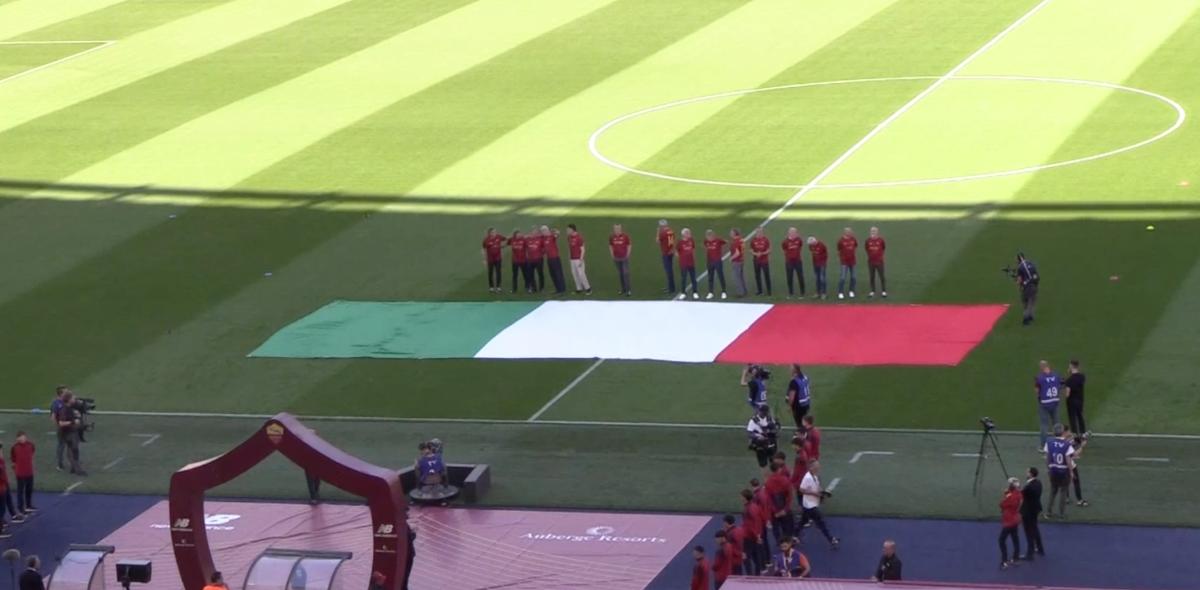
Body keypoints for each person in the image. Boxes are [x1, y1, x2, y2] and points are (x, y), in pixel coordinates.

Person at [797, 459, 839, 549]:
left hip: (811, 504)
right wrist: (815, 494)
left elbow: (817, 487)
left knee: (802, 522)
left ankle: (794, 535)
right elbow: (801, 490)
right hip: (810, 505)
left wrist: (822, 494)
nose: (818, 467)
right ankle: (831, 539)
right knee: (821, 523)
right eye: (816, 466)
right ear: (811, 468)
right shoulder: (807, 477)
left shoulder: (814, 476)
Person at [1045, 424, 1074, 519]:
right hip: (1064, 471)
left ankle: (1049, 512)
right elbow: (1068, 459)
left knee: (1053, 491)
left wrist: (1048, 468)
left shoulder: (1049, 442)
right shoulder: (1067, 445)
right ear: (1063, 432)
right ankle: (1061, 513)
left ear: (1054, 432)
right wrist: (1071, 471)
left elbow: (1048, 457)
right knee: (1063, 491)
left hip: (1053, 470)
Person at [1034, 360, 1063, 452]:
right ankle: (1059, 444)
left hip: (1045, 403)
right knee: (1057, 424)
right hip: (1055, 402)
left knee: (1044, 425)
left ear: (1042, 367)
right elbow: (1061, 385)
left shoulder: (1039, 377)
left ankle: (1043, 446)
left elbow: (1037, 390)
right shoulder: (1056, 375)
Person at [765, 463, 795, 546]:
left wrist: (775, 511)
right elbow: (790, 496)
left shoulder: (768, 482)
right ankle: (788, 543)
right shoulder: (785, 480)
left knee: (776, 529)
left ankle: (780, 544)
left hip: (774, 511)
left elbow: (768, 499)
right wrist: (785, 510)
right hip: (784, 509)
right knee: (787, 528)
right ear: (779, 469)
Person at [740, 489, 768, 574]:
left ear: (745, 498)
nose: (740, 498)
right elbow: (759, 521)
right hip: (753, 535)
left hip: (749, 536)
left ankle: (750, 575)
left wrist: (757, 536)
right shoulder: (754, 506)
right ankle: (757, 574)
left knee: (746, 557)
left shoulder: (749, 509)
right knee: (756, 556)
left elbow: (752, 524)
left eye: (741, 497)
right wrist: (758, 535)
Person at [56, 393, 85, 475]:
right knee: (73, 450)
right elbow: (61, 423)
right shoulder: (64, 410)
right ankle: (77, 470)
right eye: (72, 398)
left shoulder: (69, 408)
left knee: (73, 450)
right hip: (68, 433)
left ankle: (74, 468)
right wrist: (73, 422)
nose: (74, 399)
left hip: (70, 432)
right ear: (68, 400)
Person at [1020, 467, 1045, 560]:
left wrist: (1013, 486)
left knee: (1029, 532)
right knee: (1035, 529)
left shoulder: (1029, 486)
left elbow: (1021, 494)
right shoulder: (1038, 483)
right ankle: (1040, 548)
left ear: (1031, 474)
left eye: (1027, 472)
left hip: (1028, 511)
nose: (1026, 473)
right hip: (1035, 509)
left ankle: (1029, 554)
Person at [999, 477, 1022, 569]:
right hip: (1015, 520)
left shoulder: (1010, 497)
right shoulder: (1019, 494)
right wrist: (1008, 493)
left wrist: (1007, 495)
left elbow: (1001, 504)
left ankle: (1004, 561)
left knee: (1001, 540)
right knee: (1015, 539)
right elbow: (1016, 493)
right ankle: (1015, 558)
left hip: (1008, 521)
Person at [747, 405, 779, 470]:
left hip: (770, 443)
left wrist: (773, 430)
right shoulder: (754, 420)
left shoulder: (769, 419)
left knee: (774, 461)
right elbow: (750, 433)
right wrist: (758, 437)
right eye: (761, 412)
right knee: (763, 465)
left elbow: (775, 430)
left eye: (765, 412)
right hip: (760, 444)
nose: (762, 413)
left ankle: (774, 476)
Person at [11, 432, 36, 515]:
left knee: (29, 490)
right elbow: (13, 459)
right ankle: (21, 508)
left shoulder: (30, 445)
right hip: (20, 473)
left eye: (23, 437)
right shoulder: (14, 447)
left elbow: (32, 454)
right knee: (20, 491)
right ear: (17, 439)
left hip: (29, 472)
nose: (22, 439)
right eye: (20, 437)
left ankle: (28, 506)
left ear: (26, 437)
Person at [1065, 426, 1089, 507]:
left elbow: (1076, 440)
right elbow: (1073, 455)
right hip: (1069, 464)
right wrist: (1082, 446)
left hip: (1061, 464)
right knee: (1076, 481)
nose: (1070, 433)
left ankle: (1066, 498)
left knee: (1065, 482)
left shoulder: (1060, 440)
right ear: (1065, 432)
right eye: (1068, 431)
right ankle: (1079, 500)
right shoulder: (1067, 442)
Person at [1063, 359, 1088, 437]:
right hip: (1080, 400)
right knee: (1080, 416)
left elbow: (1067, 394)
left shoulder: (1069, 380)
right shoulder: (1082, 377)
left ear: (1071, 366)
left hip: (1071, 401)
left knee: (1072, 418)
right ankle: (1083, 433)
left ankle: (1075, 434)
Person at [1014, 252, 1039, 325]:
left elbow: (1019, 280)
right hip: (1034, 286)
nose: (1016, 260)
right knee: (1032, 302)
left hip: (1026, 288)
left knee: (1026, 303)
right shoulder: (1031, 263)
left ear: (1020, 258)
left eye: (1016, 259)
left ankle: (1025, 319)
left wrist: (1017, 282)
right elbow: (1035, 275)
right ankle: (1031, 316)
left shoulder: (1020, 267)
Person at [566, 224, 592, 295]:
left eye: (568, 230)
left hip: (578, 259)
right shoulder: (569, 237)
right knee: (574, 274)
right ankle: (579, 288)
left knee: (581, 274)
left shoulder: (579, 237)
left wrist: (581, 259)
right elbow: (570, 248)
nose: (567, 231)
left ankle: (588, 288)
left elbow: (583, 249)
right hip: (572, 259)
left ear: (572, 229)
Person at [781, 228, 806, 299]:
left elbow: (800, 246)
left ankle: (802, 292)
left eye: (794, 232)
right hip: (789, 262)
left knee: (800, 276)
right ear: (789, 233)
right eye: (791, 232)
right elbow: (784, 249)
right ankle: (790, 292)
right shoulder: (785, 242)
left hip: (798, 261)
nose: (793, 234)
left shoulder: (799, 240)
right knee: (789, 277)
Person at [541, 226, 567, 294]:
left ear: (547, 230)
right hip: (549, 259)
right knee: (552, 274)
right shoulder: (543, 239)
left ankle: (562, 289)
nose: (543, 232)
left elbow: (558, 233)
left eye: (544, 230)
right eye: (542, 231)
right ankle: (557, 288)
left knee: (558, 273)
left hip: (555, 258)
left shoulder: (552, 236)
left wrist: (553, 230)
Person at [703, 230, 728, 300]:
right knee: (710, 277)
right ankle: (710, 292)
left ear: (712, 235)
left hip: (717, 261)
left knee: (720, 276)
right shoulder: (706, 242)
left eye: (709, 236)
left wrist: (721, 253)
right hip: (709, 261)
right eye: (707, 236)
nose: (708, 237)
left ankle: (724, 291)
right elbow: (705, 247)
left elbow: (726, 242)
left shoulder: (718, 240)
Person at [785, 365, 812, 430]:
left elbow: (792, 396)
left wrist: (789, 406)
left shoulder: (794, 381)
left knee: (800, 424)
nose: (790, 369)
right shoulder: (805, 377)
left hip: (798, 407)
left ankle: (803, 437)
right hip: (806, 404)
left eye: (791, 368)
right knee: (805, 422)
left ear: (795, 370)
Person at [609, 224, 632, 296]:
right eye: (615, 229)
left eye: (618, 229)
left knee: (625, 273)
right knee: (621, 274)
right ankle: (623, 289)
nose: (616, 230)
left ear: (621, 229)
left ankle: (628, 290)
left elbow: (629, 245)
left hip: (624, 257)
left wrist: (628, 254)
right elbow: (610, 245)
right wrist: (612, 254)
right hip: (616, 258)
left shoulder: (625, 236)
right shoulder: (612, 237)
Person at [865, 226, 887, 298]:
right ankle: (872, 291)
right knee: (872, 276)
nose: (873, 232)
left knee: (882, 276)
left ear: (877, 232)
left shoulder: (881, 240)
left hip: (879, 261)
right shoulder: (868, 241)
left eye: (875, 231)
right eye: (872, 231)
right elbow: (866, 248)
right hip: (871, 262)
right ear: (870, 232)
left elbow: (883, 247)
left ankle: (883, 291)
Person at [677, 228, 699, 299]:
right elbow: (676, 251)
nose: (689, 234)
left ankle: (695, 292)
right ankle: (683, 293)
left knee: (693, 278)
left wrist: (694, 258)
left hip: (691, 262)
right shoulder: (680, 243)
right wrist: (680, 257)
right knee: (684, 278)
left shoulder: (691, 241)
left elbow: (693, 249)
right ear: (684, 234)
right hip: (684, 263)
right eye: (688, 233)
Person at [836, 227, 858, 299]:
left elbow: (855, 246)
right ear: (845, 232)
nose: (849, 233)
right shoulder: (841, 240)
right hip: (844, 262)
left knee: (853, 277)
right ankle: (840, 292)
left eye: (850, 232)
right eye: (847, 232)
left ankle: (851, 291)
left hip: (852, 261)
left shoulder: (853, 239)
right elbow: (838, 249)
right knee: (842, 278)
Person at [481, 227, 504, 293]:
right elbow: (483, 249)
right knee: (490, 273)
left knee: (498, 272)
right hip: (490, 259)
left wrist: (503, 245)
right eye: (493, 232)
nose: (494, 233)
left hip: (498, 258)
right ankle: (491, 287)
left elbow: (506, 239)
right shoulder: (486, 240)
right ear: (490, 233)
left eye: (495, 232)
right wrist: (484, 259)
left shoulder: (499, 237)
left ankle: (498, 287)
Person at [749, 228, 772, 296]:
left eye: (760, 232)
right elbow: (750, 250)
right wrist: (756, 254)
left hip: (764, 261)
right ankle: (760, 290)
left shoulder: (766, 240)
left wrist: (762, 253)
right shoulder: (753, 240)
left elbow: (769, 250)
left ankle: (769, 291)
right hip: (756, 261)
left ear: (762, 232)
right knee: (757, 276)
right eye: (757, 232)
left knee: (766, 275)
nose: (759, 233)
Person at [656, 219, 677, 294]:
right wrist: (672, 250)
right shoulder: (671, 231)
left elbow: (657, 241)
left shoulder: (663, 233)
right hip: (670, 252)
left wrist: (658, 232)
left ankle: (671, 288)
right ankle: (671, 286)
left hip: (665, 253)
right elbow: (673, 241)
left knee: (668, 271)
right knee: (670, 270)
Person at [51, 386, 68, 471]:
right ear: (61, 394)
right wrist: (58, 426)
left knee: (72, 445)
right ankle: (60, 464)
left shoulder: (66, 401)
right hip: (62, 428)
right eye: (66, 392)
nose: (68, 393)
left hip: (69, 427)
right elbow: (53, 416)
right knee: (61, 445)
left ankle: (74, 462)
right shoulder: (56, 403)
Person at [507, 229, 529, 294]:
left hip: (523, 260)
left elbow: (527, 247)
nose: (519, 235)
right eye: (517, 234)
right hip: (515, 261)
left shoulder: (523, 240)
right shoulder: (512, 240)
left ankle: (527, 286)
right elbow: (508, 243)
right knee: (515, 275)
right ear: (515, 235)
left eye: (520, 234)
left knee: (525, 274)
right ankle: (514, 289)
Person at [525, 225, 545, 292]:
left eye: (536, 231)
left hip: (539, 259)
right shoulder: (527, 239)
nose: (534, 232)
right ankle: (533, 288)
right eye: (533, 231)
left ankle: (541, 288)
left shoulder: (540, 239)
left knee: (540, 274)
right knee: (531, 274)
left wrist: (542, 253)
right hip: (530, 260)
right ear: (531, 232)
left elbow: (544, 247)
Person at [729, 229, 748, 297]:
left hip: (736, 261)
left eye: (731, 232)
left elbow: (737, 253)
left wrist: (731, 258)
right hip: (741, 260)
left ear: (734, 234)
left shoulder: (735, 242)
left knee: (737, 277)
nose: (730, 234)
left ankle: (740, 292)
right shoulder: (741, 240)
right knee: (742, 277)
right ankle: (745, 290)